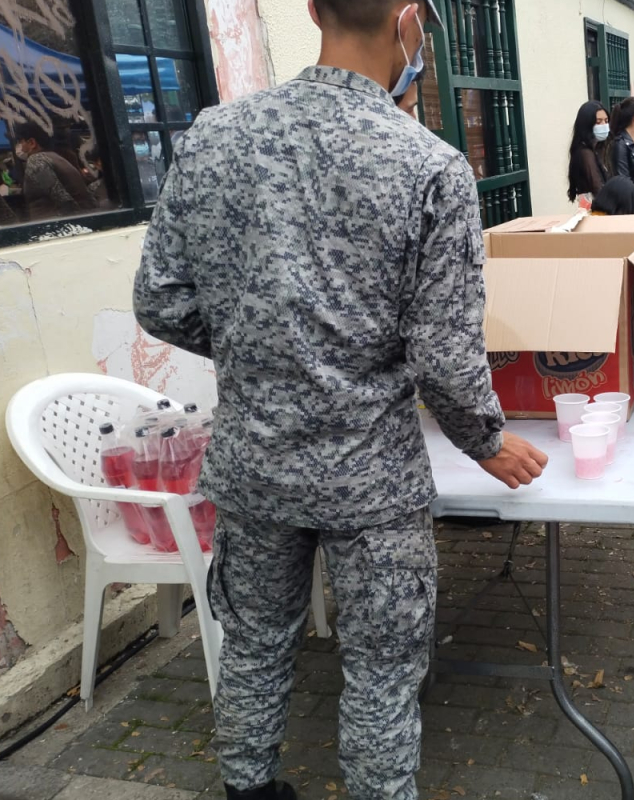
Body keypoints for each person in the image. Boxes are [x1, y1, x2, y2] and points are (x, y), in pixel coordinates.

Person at [134, 2, 549, 798]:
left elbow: (160, 301)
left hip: (256, 463)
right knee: (383, 670)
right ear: (408, 22)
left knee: (253, 641)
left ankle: (248, 788)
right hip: (372, 483)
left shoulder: (214, 138)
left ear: (317, 10)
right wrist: (488, 441)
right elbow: (444, 353)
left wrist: (264, 349)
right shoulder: (428, 167)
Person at [14, 122, 96, 219]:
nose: (19, 146)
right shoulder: (55, 157)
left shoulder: (36, 160)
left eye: (20, 141)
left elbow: (64, 200)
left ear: (32, 143)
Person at [568, 100, 609, 208]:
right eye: (598, 122)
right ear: (587, 124)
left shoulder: (597, 148)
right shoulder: (584, 152)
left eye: (606, 121)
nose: (604, 125)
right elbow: (597, 187)